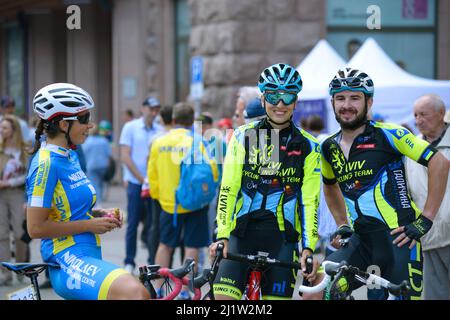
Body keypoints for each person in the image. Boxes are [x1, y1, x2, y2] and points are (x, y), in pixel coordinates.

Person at [320, 68, 450, 300]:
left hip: (399, 241)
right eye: (340, 98)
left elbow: (439, 163)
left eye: (354, 98)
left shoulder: (390, 134)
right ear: (332, 102)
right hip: (361, 241)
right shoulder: (329, 147)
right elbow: (329, 185)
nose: (346, 105)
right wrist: (341, 223)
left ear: (368, 101)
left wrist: (426, 219)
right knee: (319, 289)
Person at [26, 83, 149, 299]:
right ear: (64, 124)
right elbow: (35, 228)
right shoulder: (45, 164)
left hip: (88, 253)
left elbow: (64, 210)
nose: (90, 125)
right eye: (84, 119)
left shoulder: (69, 156)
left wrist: (98, 215)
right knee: (136, 293)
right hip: (66, 258)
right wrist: (89, 225)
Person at [209, 63, 321, 300]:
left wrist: (308, 248)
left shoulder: (310, 146)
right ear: (263, 99)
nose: (280, 104)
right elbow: (229, 188)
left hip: (283, 238)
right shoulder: (242, 136)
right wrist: (222, 235)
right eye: (273, 96)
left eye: (287, 96)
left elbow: (309, 201)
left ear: (295, 101)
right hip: (241, 233)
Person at [148, 102, 219, 299]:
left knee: (164, 245)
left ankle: (157, 288)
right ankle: (188, 291)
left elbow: (152, 175)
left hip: (168, 204)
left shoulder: (159, 142)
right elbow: (212, 169)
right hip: (194, 203)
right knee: (192, 246)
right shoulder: (197, 141)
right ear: (191, 121)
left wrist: (158, 196)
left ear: (172, 119)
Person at [405, 94, 450, 299]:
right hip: (429, 238)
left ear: (441, 114)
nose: (418, 120)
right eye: (415, 115)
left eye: (424, 114)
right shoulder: (411, 149)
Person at [119, 95, 162, 273]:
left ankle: (152, 260)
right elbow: (125, 156)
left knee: (153, 223)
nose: (153, 113)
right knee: (133, 223)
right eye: (151, 109)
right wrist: (140, 178)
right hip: (137, 182)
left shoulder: (159, 130)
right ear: (143, 108)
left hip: (153, 183)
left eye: (156, 110)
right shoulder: (130, 127)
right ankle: (129, 261)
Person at [0, 115, 29, 286]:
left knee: (20, 233)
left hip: (18, 193)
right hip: (0, 196)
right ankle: (6, 273)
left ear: (14, 130)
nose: (1, 131)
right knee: (1, 234)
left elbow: (28, 174)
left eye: (4, 128)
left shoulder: (24, 150)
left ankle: (20, 268)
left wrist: (9, 182)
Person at [82, 123, 112, 207]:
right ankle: (100, 199)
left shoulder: (87, 141)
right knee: (101, 183)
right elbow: (109, 155)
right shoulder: (104, 140)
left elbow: (84, 154)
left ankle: (97, 203)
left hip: (91, 165)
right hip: (103, 165)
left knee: (94, 183)